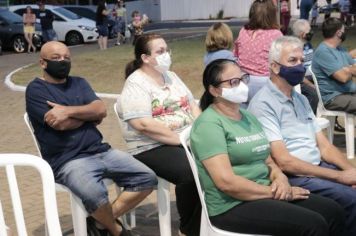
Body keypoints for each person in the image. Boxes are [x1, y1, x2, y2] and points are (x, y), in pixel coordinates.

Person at [190, 58, 346, 236]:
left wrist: (280, 179)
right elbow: (227, 182)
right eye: (233, 82)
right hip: (232, 204)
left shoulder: (248, 117)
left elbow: (268, 160)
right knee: (313, 224)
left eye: (243, 79)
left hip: (266, 190)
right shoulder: (208, 125)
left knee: (334, 211)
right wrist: (276, 193)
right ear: (214, 90)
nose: (241, 85)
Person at [25, 41, 157, 236]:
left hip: (102, 151)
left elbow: (101, 109)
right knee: (96, 194)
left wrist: (68, 111)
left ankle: (98, 223)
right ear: (43, 63)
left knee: (147, 178)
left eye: (66, 58)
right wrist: (88, 117)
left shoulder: (79, 83)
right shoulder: (36, 90)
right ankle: (117, 230)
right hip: (68, 160)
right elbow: (59, 124)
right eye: (56, 58)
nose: (62, 61)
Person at [248, 36, 356, 235]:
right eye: (292, 61)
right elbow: (284, 161)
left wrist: (350, 172)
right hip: (295, 176)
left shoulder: (301, 99)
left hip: (316, 169)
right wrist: (340, 176)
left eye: (301, 60)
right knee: (350, 200)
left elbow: (325, 146)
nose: (299, 66)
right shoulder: (264, 104)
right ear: (275, 67)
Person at [118, 34, 201, 236]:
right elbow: (143, 124)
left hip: (185, 140)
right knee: (190, 172)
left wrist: (200, 131)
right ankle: (189, 229)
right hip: (151, 146)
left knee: (218, 161)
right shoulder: (136, 83)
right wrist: (182, 141)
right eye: (160, 51)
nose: (167, 55)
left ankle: (210, 220)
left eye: (167, 50)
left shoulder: (172, 77)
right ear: (145, 58)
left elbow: (192, 106)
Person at [233, 0, 282, 104]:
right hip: (264, 84)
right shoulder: (275, 34)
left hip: (243, 81)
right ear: (272, 15)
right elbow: (283, 60)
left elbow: (236, 55)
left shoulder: (243, 31)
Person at [312, 17, 356, 115]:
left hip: (348, 93)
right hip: (333, 97)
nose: (345, 32)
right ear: (339, 33)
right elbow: (343, 78)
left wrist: (347, 69)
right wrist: (349, 71)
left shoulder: (340, 49)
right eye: (344, 30)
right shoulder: (323, 52)